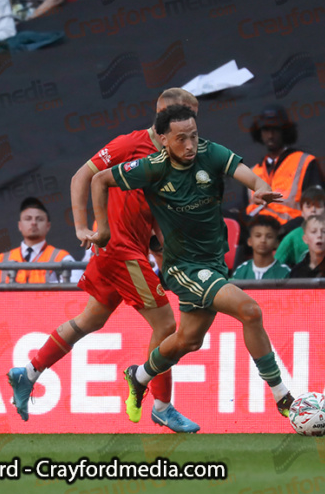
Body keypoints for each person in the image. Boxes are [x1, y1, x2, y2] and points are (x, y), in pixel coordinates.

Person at [86, 104, 297, 426]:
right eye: (181, 138)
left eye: (194, 136)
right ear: (163, 139)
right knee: (250, 311)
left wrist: (260, 188)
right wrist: (101, 228)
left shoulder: (209, 153)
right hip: (183, 268)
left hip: (213, 263)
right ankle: (283, 395)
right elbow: (99, 180)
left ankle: (138, 375)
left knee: (188, 341)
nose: (189, 145)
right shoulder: (152, 168)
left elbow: (244, 174)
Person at [5, 89, 201, 431]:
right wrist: (82, 226)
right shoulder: (129, 144)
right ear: (161, 116)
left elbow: (152, 213)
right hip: (119, 250)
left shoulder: (172, 157)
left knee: (89, 320)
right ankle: (162, 404)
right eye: (183, 116)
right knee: (167, 326)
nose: (191, 125)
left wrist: (164, 254)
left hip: (132, 250)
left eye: (194, 117)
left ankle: (29, 372)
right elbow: (82, 175)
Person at [245, 104, 323, 227]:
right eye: (265, 130)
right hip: (258, 234)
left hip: (290, 230)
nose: (270, 135)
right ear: (259, 133)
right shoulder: (253, 171)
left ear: (284, 131)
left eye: (275, 129)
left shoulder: (304, 162)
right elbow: (245, 209)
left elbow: (317, 206)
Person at [0, 197, 77, 284]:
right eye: (28, 218)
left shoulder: (61, 257)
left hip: (45, 306)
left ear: (48, 226)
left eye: (39, 219)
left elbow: (77, 285)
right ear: (20, 225)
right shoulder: (1, 260)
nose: (33, 223)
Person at [274, 186, 325, 265]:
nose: (313, 210)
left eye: (318, 206)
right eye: (308, 206)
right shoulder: (292, 237)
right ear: (302, 212)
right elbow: (276, 265)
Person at [232, 215, 291, 280]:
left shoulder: (284, 272)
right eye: (258, 236)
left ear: (277, 243)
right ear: (249, 241)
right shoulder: (241, 270)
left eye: (269, 236)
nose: (263, 240)